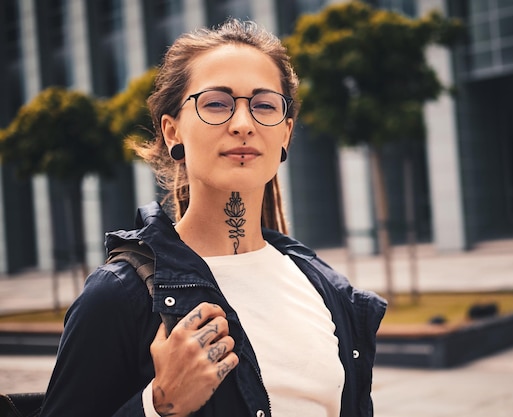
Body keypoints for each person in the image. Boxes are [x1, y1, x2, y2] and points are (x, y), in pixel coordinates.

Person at [41, 18, 386, 417]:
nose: (243, 124)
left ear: (286, 133)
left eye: (264, 105)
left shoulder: (323, 287)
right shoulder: (119, 296)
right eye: (216, 103)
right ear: (173, 133)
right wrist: (157, 406)